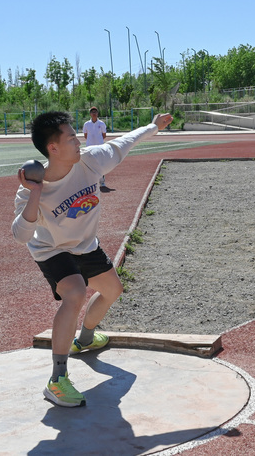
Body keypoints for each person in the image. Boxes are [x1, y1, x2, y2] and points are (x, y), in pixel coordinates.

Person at [12, 110, 173, 408]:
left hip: (85, 245)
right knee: (74, 293)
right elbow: (21, 236)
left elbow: (126, 142)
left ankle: (85, 340)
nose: (79, 140)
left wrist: (153, 126)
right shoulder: (31, 187)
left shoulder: (91, 160)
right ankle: (57, 379)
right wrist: (35, 193)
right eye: (72, 137)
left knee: (113, 290)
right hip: (52, 250)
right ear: (53, 148)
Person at [82, 106, 108, 188]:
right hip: (89, 148)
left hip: (99, 147)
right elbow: (85, 136)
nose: (94, 113)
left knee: (100, 164)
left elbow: (104, 135)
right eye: (92, 112)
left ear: (97, 113)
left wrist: (98, 142)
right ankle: (90, 182)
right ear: (90, 114)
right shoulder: (86, 124)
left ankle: (102, 181)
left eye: (95, 112)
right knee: (89, 164)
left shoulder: (101, 124)